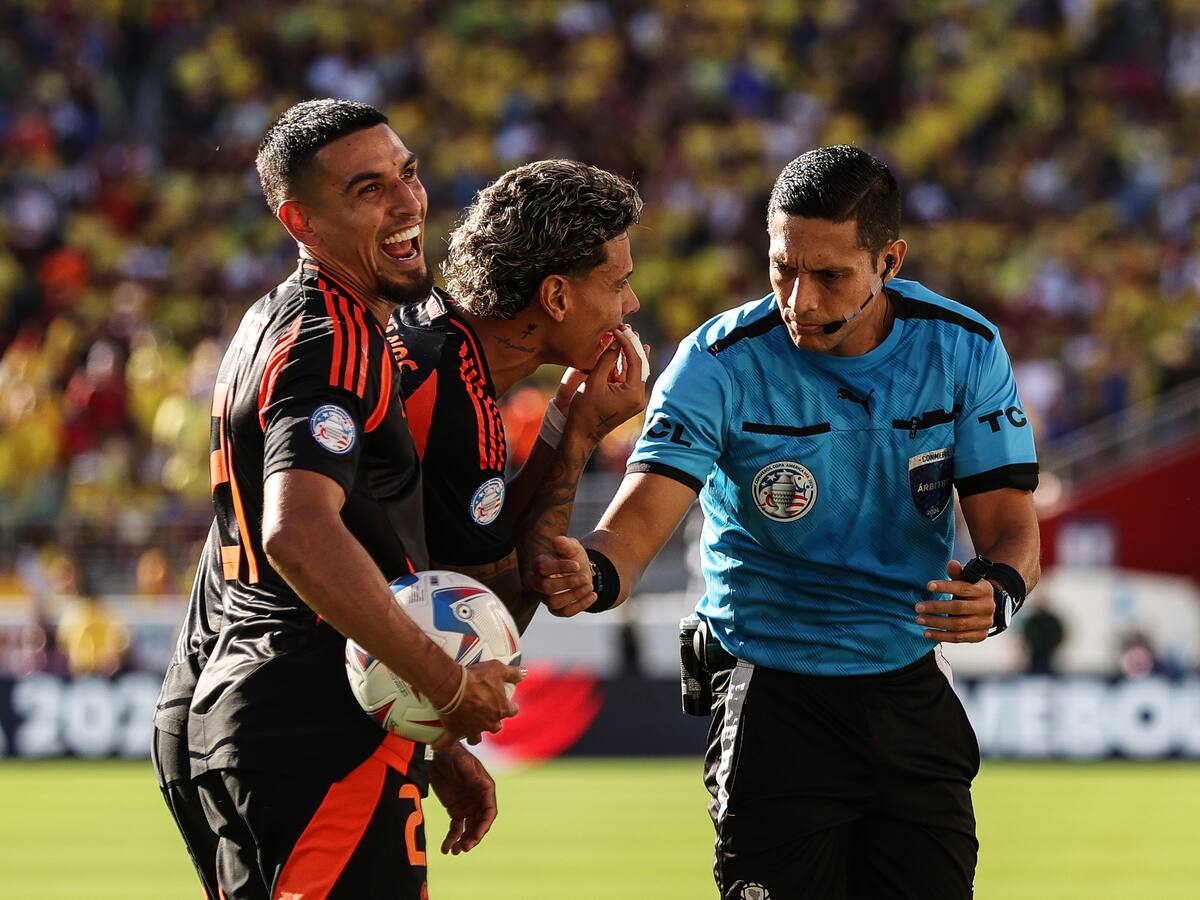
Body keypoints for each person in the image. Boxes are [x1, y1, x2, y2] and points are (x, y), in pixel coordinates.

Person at [530, 145, 1041, 900]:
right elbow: (634, 528)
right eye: (782, 269)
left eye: (829, 275)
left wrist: (997, 592)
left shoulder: (963, 348)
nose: (799, 299)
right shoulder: (717, 362)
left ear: (889, 261)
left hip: (908, 690)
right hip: (772, 694)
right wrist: (595, 573)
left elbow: (1013, 531)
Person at [153, 99, 521, 900]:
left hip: (234, 707)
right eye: (368, 189)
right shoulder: (334, 333)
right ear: (301, 221)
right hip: (315, 722)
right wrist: (445, 686)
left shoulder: (269, 321)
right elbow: (296, 534)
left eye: (408, 174)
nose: (407, 202)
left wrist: (434, 744)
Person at [390, 158, 649, 631]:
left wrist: (561, 422)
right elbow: (490, 623)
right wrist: (581, 439)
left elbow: (492, 540)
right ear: (556, 298)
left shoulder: (424, 320)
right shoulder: (452, 407)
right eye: (618, 284)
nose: (631, 303)